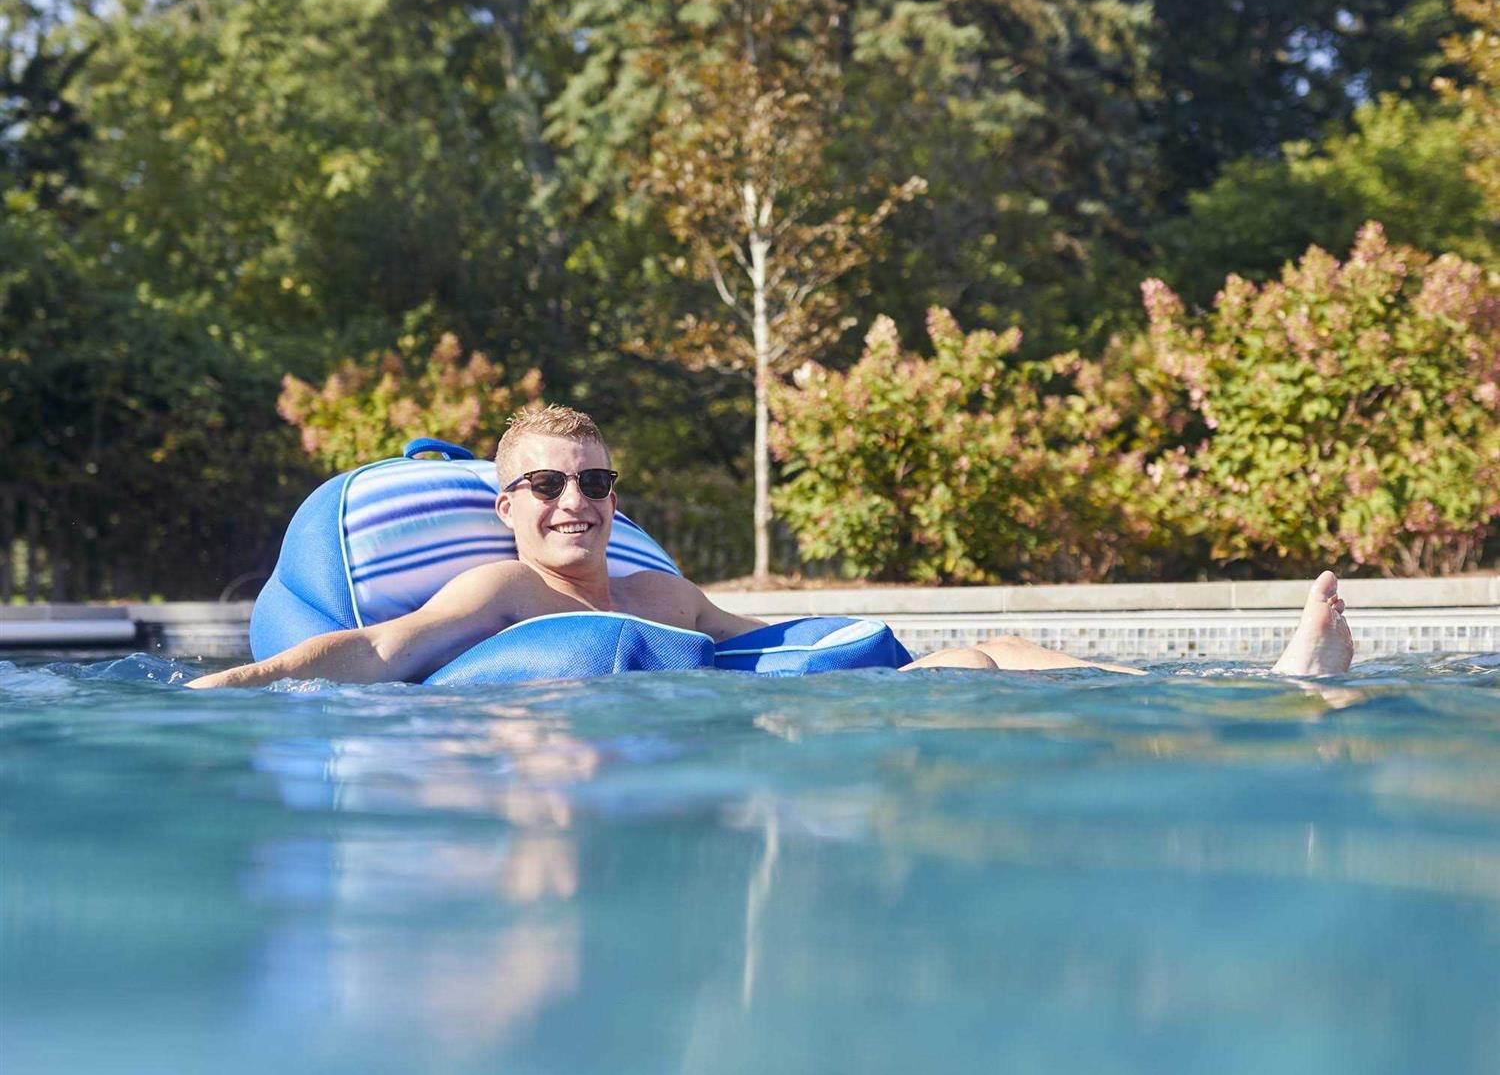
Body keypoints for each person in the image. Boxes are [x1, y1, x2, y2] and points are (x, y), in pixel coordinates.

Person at [188, 405, 1353, 689]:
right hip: (574, 742)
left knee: (989, 647)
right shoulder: (499, 586)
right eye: (543, 485)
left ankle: (1261, 687)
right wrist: (244, 681)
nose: (572, 504)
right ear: (505, 503)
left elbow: (761, 642)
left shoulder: (655, 582)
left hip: (750, 703)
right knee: (968, 671)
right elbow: (382, 652)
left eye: (592, 484)